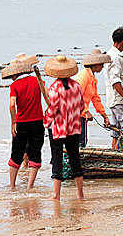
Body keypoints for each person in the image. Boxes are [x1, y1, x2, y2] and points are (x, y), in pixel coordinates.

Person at [43, 55, 84, 201]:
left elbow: (52, 110)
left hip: (58, 129)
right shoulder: (77, 86)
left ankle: (56, 194)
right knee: (75, 160)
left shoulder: (54, 88)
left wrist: (46, 119)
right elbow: (81, 107)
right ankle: (80, 194)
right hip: (74, 127)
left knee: (57, 158)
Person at [2, 58, 45, 189]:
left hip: (22, 123)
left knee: (16, 153)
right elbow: (48, 96)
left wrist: (13, 122)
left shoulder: (14, 85)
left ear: (15, 74)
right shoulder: (38, 81)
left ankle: (12, 185)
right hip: (38, 121)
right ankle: (30, 186)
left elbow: (11, 105)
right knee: (35, 152)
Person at [104, 27, 123, 149]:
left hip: (113, 99)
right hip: (118, 100)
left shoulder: (110, 54)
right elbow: (115, 81)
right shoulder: (115, 57)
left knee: (116, 130)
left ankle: (115, 153)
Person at [74, 49, 112, 147]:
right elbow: (76, 95)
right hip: (75, 114)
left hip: (81, 114)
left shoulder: (92, 78)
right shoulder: (84, 76)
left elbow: (95, 98)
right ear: (95, 64)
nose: (103, 66)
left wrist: (104, 115)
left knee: (83, 140)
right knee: (79, 141)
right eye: (101, 64)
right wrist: (86, 111)